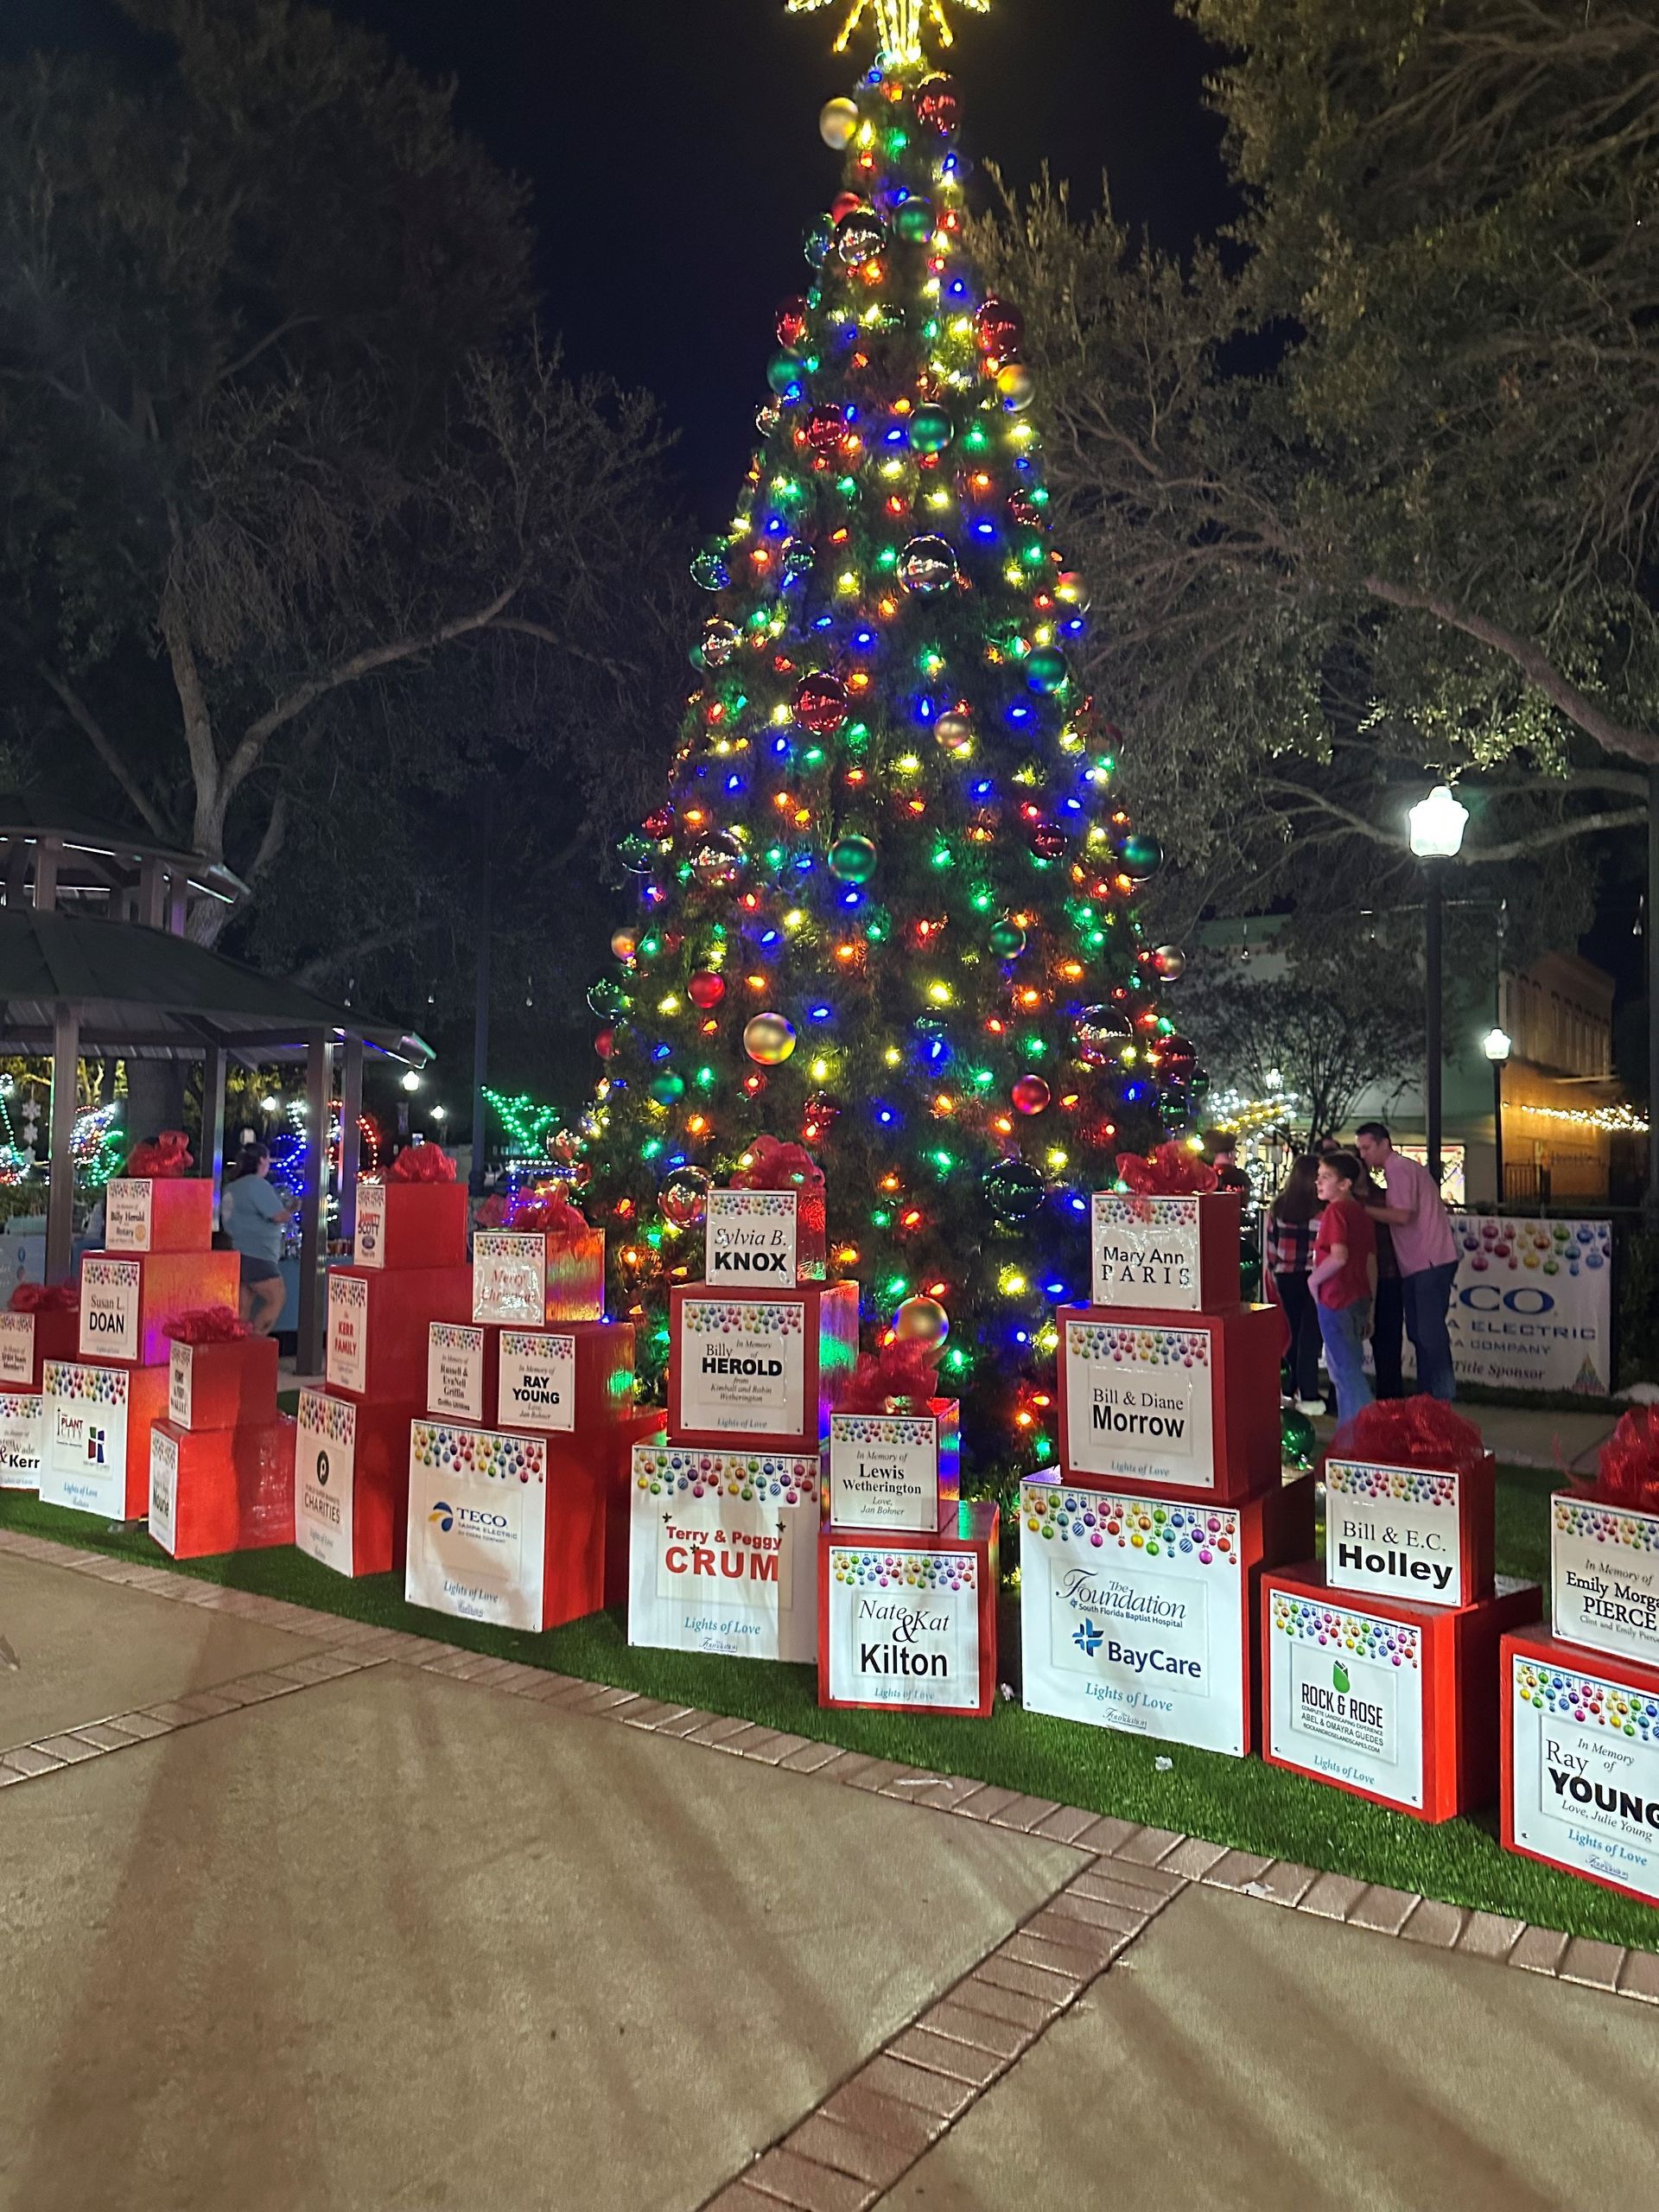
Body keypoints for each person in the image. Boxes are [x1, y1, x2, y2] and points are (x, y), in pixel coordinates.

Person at [1356, 1121, 1459, 1401]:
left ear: (1384, 1144)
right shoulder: (1402, 1169)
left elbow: (1402, 1215)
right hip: (1422, 1262)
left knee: (1428, 1334)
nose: (1363, 1155)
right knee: (1422, 1333)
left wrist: (1362, 1209)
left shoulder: (1398, 1169)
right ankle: (1431, 1398)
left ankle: (1439, 1398)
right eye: (1361, 1149)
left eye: (1367, 1148)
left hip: (1427, 1261)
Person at [1308, 1149, 1376, 1426]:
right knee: (1349, 1367)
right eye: (1319, 1176)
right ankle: (1352, 1432)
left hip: (1335, 1297)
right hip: (1358, 1296)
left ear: (1345, 1183)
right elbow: (1370, 1262)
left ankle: (1364, 1429)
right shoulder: (1360, 1213)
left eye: (1326, 1177)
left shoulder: (1335, 1211)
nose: (1319, 1182)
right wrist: (1371, 1305)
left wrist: (1313, 1280)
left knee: (1344, 1372)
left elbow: (1339, 1256)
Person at [1266, 1154, 1325, 1416]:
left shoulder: (1279, 1207)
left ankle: (1290, 1386)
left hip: (1286, 1275)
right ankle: (1308, 1390)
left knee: (1292, 1333)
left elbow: (1270, 1244)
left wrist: (1272, 1269)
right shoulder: (1323, 1209)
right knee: (1309, 1335)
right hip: (1315, 1276)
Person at [219, 1141, 296, 1337]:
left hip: (237, 1252)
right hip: (258, 1254)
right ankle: (255, 1341)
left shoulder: (232, 1187)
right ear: (261, 1160)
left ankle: (238, 1345)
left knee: (243, 1308)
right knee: (276, 1297)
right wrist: (294, 1207)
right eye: (268, 1159)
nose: (269, 1163)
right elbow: (278, 1215)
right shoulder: (257, 1185)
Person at [1354, 1158, 1403, 1398]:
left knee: (1387, 1340)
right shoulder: (1343, 1201)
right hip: (1355, 1278)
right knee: (1348, 1342)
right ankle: (1343, 1397)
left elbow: (1399, 1222)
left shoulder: (1383, 1197)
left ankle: (1390, 1396)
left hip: (1387, 1272)